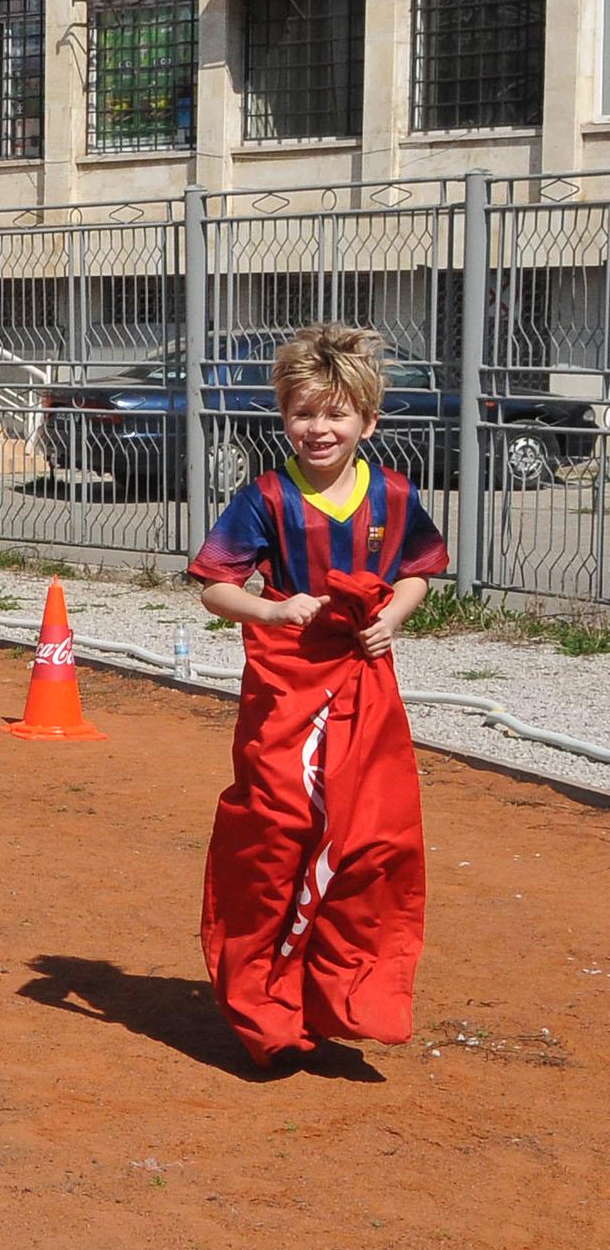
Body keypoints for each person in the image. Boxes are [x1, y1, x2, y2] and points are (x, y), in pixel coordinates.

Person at [189, 324, 446, 1071]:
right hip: (286, 685)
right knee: (279, 828)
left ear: (369, 421)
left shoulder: (393, 494)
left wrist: (392, 618)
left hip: (365, 681)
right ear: (284, 417)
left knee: (367, 837)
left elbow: (417, 570)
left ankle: (345, 994)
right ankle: (264, 999)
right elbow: (215, 586)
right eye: (303, 412)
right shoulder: (265, 497)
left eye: (336, 414)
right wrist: (271, 610)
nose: (319, 428)